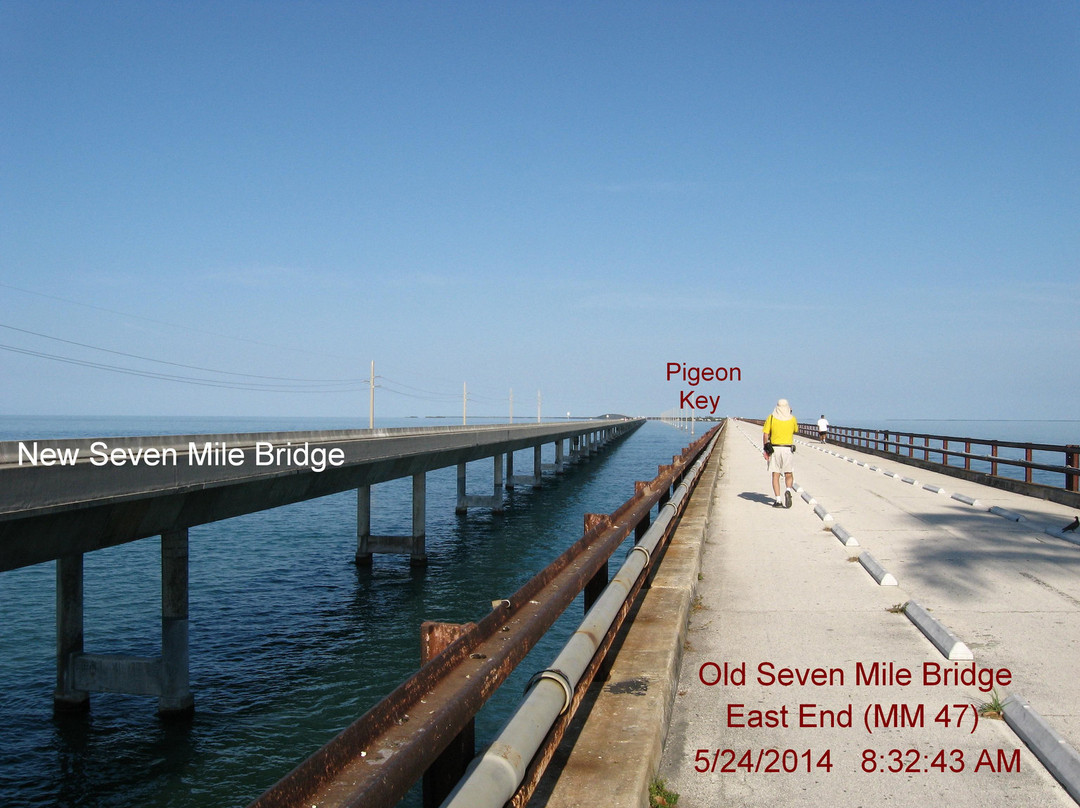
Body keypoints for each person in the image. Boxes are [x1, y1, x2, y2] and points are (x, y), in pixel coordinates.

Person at [763, 399, 797, 507]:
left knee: (775, 475)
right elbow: (795, 430)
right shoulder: (792, 419)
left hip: (775, 449)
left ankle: (778, 500)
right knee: (788, 473)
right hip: (787, 449)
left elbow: (765, 434)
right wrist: (790, 414)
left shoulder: (771, 417)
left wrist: (765, 448)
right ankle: (788, 490)